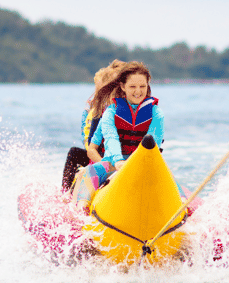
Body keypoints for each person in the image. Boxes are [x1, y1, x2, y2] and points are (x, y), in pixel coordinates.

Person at [71, 61, 164, 213]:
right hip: (113, 163)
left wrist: (135, 163)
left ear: (148, 86)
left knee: (168, 176)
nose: (138, 91)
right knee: (88, 172)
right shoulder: (111, 112)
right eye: (132, 87)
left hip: (143, 163)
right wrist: (119, 161)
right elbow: (111, 138)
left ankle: (183, 210)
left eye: (142, 86)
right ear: (123, 87)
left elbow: (154, 142)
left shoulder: (156, 113)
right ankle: (80, 213)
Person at [61, 60, 125, 190]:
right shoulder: (96, 112)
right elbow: (90, 146)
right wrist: (106, 165)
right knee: (74, 153)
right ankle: (66, 192)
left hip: (125, 161)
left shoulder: (137, 112)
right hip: (102, 159)